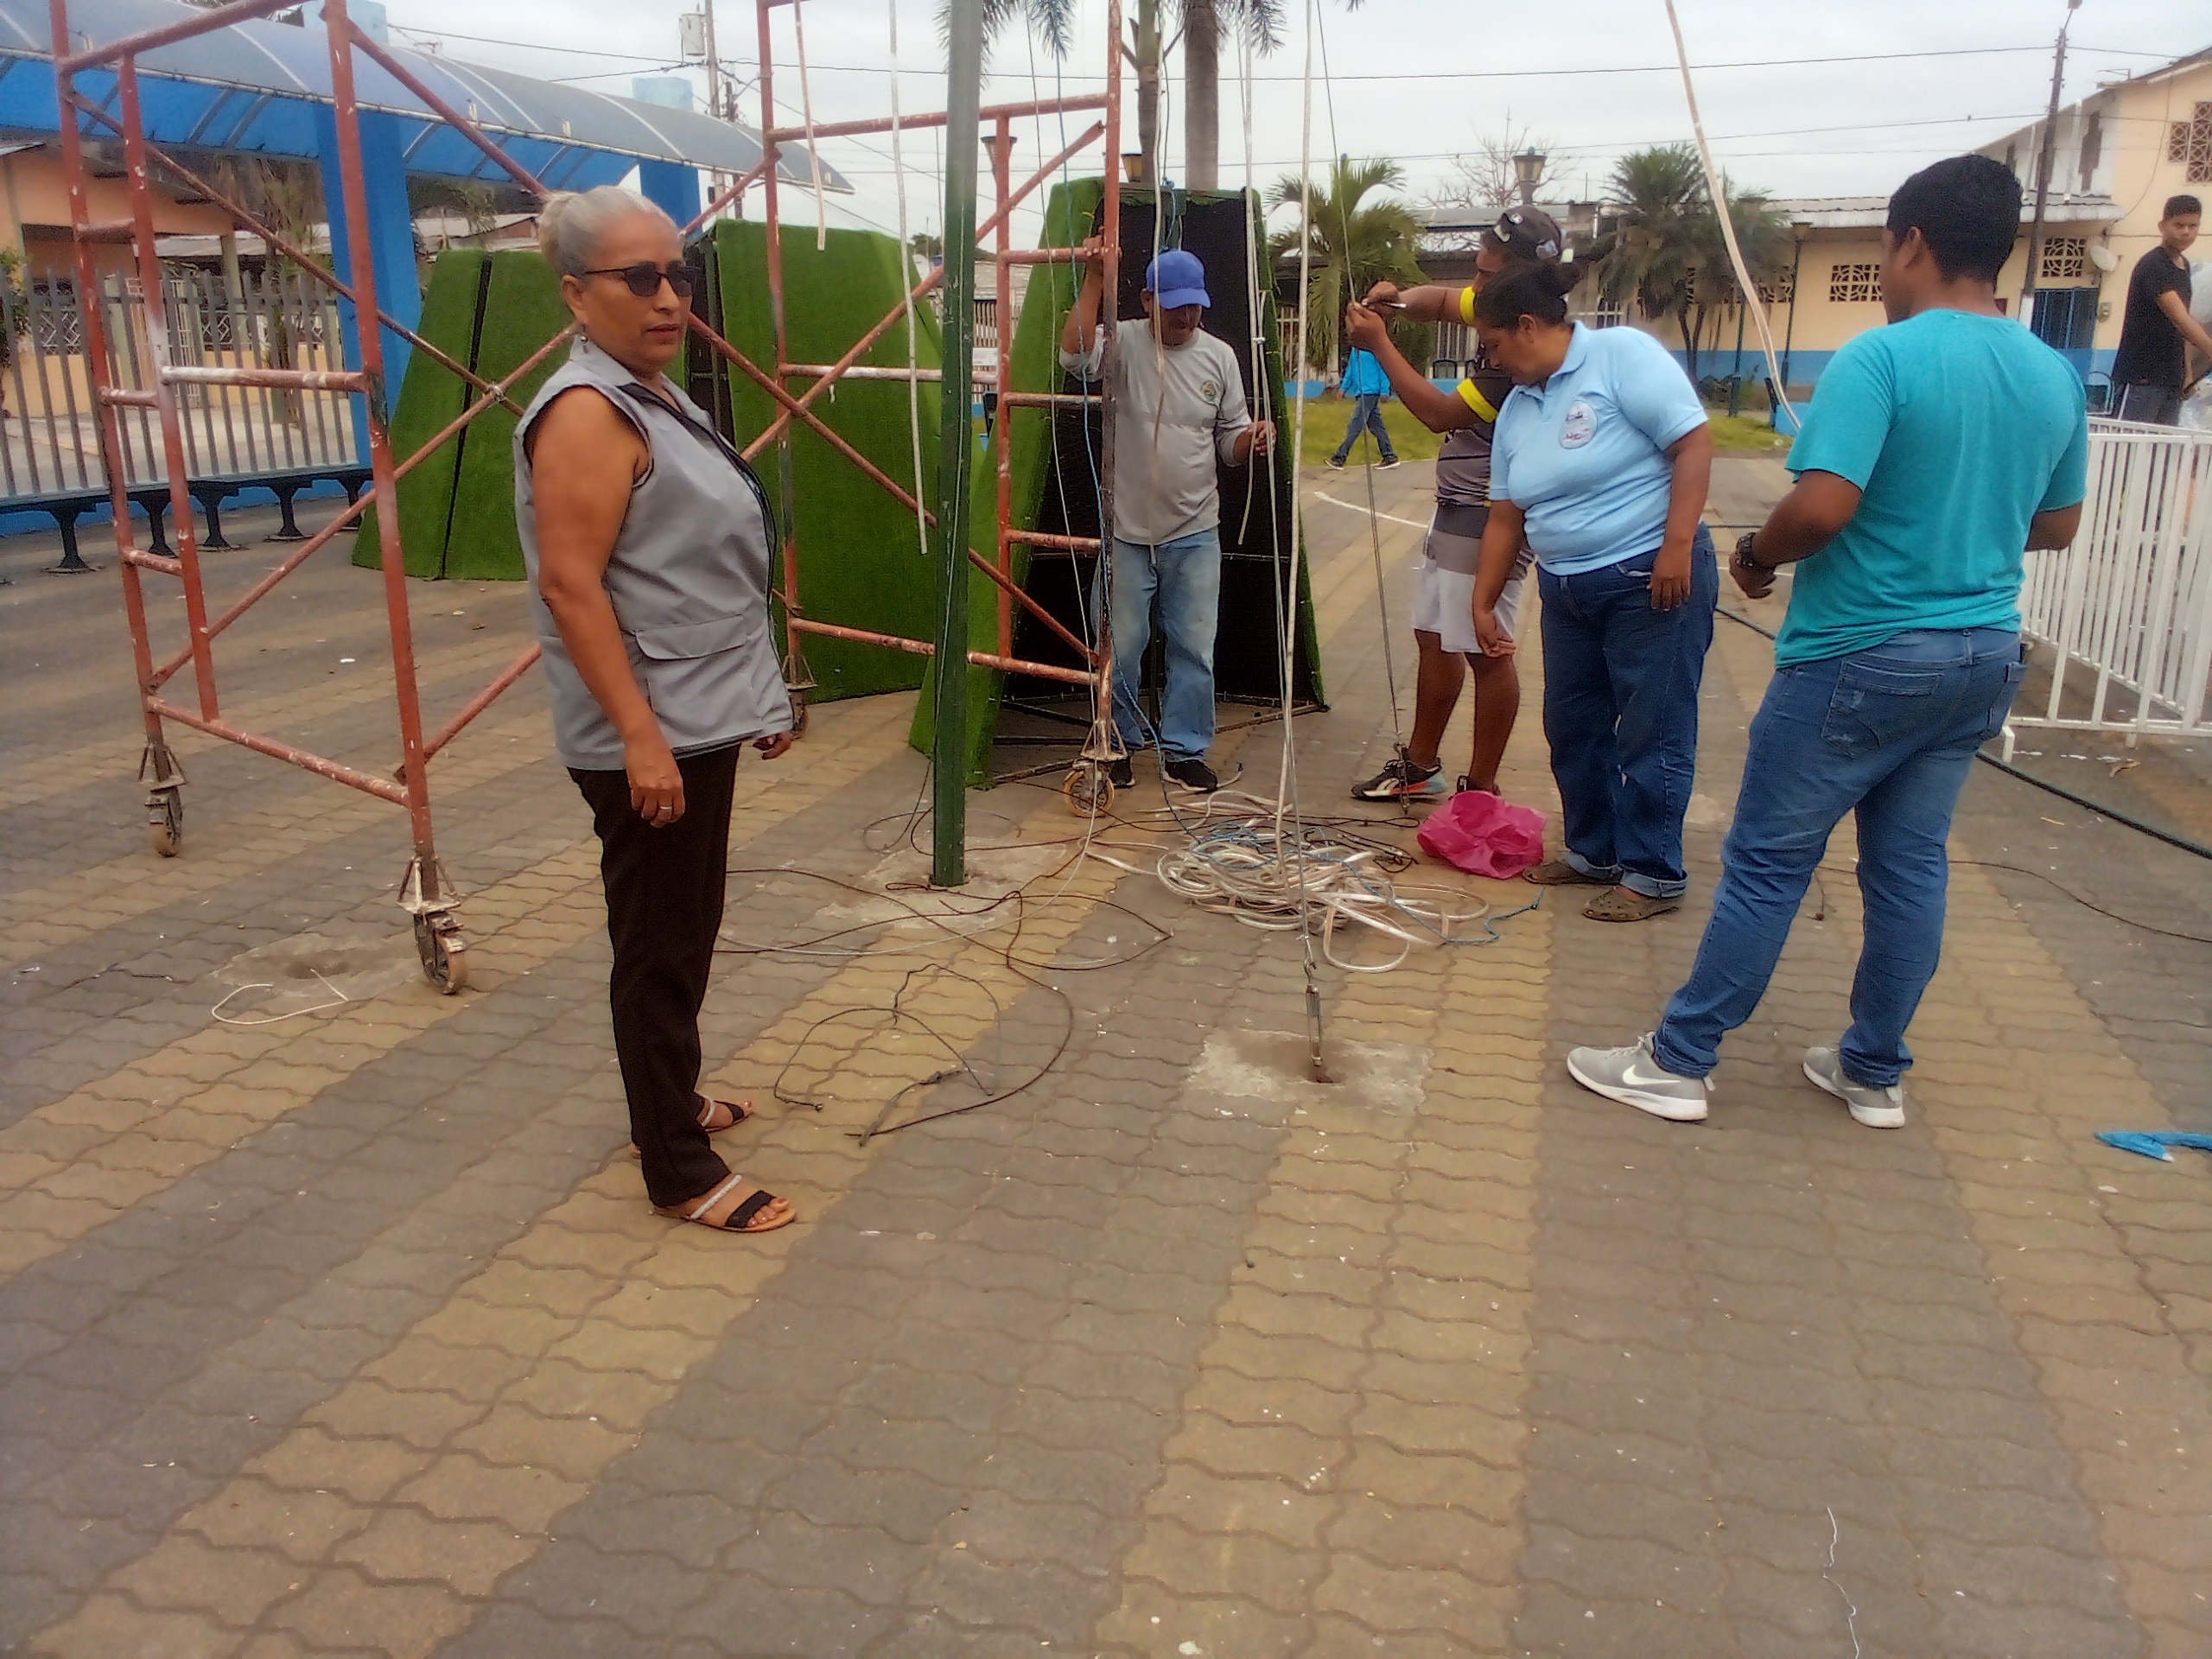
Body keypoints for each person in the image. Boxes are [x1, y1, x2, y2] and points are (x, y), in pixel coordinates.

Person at [1567, 155, 2089, 1127]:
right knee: (1910, 867)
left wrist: (1757, 555)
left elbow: (1821, 506)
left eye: (1887, 251)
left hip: (1860, 655)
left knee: (1769, 861)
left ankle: (1679, 1061)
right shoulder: (2051, 371)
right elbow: (2056, 526)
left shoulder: (1879, 358)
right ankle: (1873, 1071)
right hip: (1981, 655)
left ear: (1912, 243)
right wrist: (1957, 520)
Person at [517, 186, 798, 1235]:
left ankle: (668, 1103)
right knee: (659, 945)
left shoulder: (648, 394)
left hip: (692, 713)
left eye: (677, 274)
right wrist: (641, 738)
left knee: (683, 929)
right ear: (575, 293)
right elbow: (571, 587)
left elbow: (692, 573)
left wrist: (757, 697)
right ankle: (677, 1167)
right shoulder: (586, 414)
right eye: (639, 279)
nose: (669, 298)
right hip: (651, 732)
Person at [1469, 263, 1717, 922]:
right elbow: (1505, 516)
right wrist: (1483, 600)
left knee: (1652, 728)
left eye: (1493, 343)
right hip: (1566, 590)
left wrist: (1677, 546)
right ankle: (1594, 851)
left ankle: (1653, 873)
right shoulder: (1517, 407)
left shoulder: (1620, 355)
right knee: (1572, 724)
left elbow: (1693, 443)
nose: (1491, 359)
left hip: (1650, 579)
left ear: (1527, 326)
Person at [1344, 207, 1565, 803]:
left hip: (1491, 512)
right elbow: (1442, 301)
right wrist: (1397, 301)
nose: (1475, 286)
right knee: (1434, 634)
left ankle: (1481, 788)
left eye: (1487, 275)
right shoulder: (1497, 306)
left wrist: (1379, 344)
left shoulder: (1516, 355)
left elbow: (1440, 414)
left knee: (1485, 649)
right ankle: (1420, 766)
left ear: (1519, 284)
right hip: (1458, 503)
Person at [1061, 243, 1276, 794]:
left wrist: (1249, 441)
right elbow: (1073, 358)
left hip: (1196, 529)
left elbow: (1229, 438)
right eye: (1175, 304)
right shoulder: (1122, 341)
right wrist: (1094, 280)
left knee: (1194, 648)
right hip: (1126, 531)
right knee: (1119, 646)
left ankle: (1184, 750)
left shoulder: (1220, 356)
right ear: (1146, 300)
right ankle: (1119, 741)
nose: (1187, 315)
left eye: (1195, 305)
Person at [2110, 194, 2210, 426]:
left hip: (2171, 380)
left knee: (2162, 446)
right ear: (2162, 226)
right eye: (2179, 225)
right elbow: (2180, 318)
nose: (2186, 232)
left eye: (2193, 226)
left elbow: (2182, 328)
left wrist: (2187, 373)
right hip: (2142, 377)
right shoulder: (2154, 265)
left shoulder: (2183, 266)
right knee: (2130, 443)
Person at [1326, 344, 1399, 469]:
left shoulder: (1373, 347)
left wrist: (1385, 390)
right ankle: (1390, 456)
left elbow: (1383, 368)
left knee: (1355, 424)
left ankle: (1340, 457)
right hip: (1361, 392)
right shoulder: (1355, 350)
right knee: (1377, 426)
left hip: (1371, 392)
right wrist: (1343, 388)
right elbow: (1351, 370)